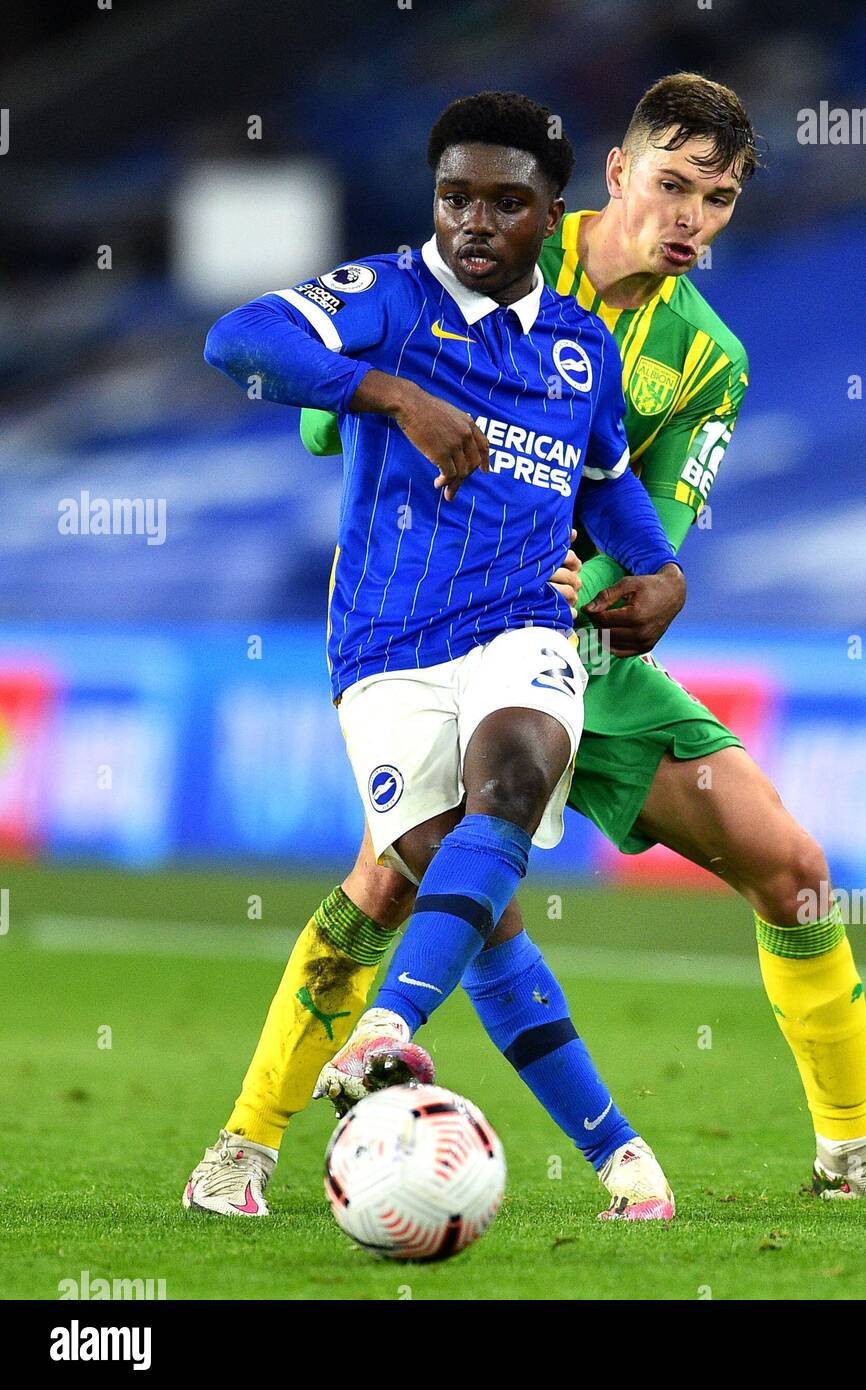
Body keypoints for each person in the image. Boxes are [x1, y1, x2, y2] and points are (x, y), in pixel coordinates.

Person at [192, 91, 685, 1223]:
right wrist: (393, 394)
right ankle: (618, 1155)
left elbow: (609, 486)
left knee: (508, 782)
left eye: (504, 202)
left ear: (552, 212)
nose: (472, 220)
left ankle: (386, 1027)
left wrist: (659, 573)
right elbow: (238, 344)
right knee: (459, 893)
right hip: (384, 645)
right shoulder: (390, 299)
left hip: (522, 628)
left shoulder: (579, 348)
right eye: (453, 195)